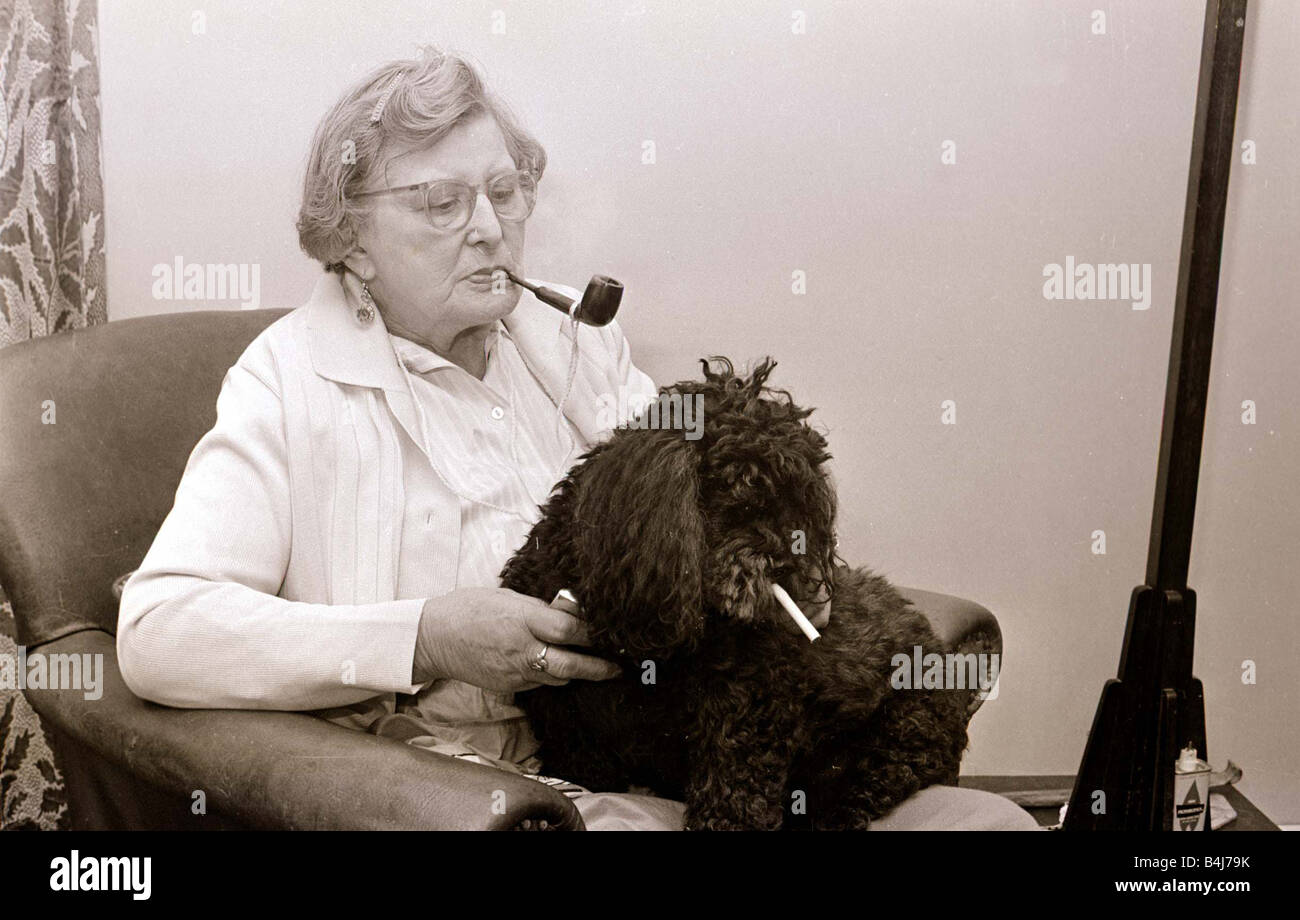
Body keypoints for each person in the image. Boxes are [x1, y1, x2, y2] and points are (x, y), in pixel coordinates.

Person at [118, 46, 1037, 831]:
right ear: (350, 238)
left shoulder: (567, 342)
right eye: (440, 203)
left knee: (987, 823)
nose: (488, 229)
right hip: (464, 789)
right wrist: (425, 639)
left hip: (657, 757)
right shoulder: (286, 382)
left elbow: (705, 535)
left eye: (503, 192)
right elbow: (161, 632)